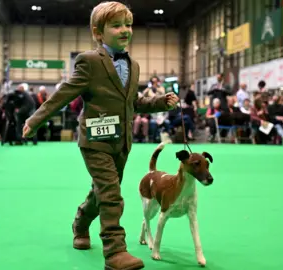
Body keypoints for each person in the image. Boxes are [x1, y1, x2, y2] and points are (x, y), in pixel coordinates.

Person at [22, 2, 179, 270]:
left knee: (101, 192)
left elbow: (134, 101)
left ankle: (80, 223)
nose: (124, 30)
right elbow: (63, 94)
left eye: (128, 24)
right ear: (98, 32)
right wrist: (35, 120)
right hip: (94, 141)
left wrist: (161, 103)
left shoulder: (134, 64)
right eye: (116, 25)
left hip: (122, 142)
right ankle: (115, 250)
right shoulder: (89, 61)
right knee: (111, 193)